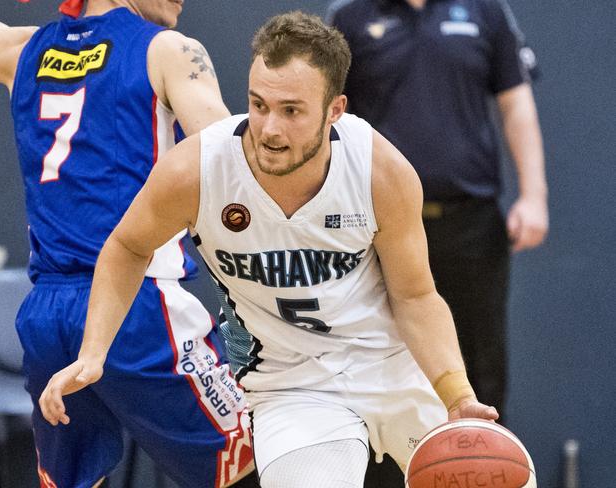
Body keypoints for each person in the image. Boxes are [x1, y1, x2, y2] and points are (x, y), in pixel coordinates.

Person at [40, 11, 500, 487]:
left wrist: (457, 396)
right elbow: (127, 246)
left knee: (500, 477)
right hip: (291, 386)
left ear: (335, 109)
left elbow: (415, 297)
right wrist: (93, 353)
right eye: (258, 105)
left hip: (390, 365)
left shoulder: (379, 170)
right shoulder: (197, 171)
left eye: (291, 110)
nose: (269, 129)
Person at [0, 1, 255, 486]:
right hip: (134, 303)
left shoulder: (22, 52)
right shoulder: (167, 51)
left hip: (46, 312)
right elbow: (233, 162)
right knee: (257, 458)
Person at [327, 0, 548, 420]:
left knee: (480, 364)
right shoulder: (351, 15)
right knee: (377, 365)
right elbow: (328, 116)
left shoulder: (486, 11)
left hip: (470, 223)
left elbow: (516, 102)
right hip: (377, 228)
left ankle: (481, 473)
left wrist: (534, 195)